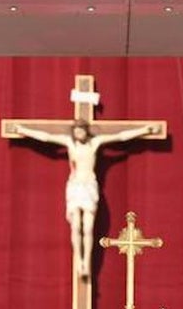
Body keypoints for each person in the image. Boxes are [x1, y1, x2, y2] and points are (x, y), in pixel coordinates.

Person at [9, 119, 158, 279]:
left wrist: (144, 130)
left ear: (86, 131)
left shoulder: (95, 143)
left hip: (89, 187)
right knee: (75, 227)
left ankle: (86, 262)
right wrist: (23, 130)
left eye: (81, 130)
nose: (79, 133)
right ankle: (78, 260)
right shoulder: (69, 143)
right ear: (73, 132)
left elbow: (121, 136)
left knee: (87, 227)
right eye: (76, 130)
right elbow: (45, 137)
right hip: (75, 187)